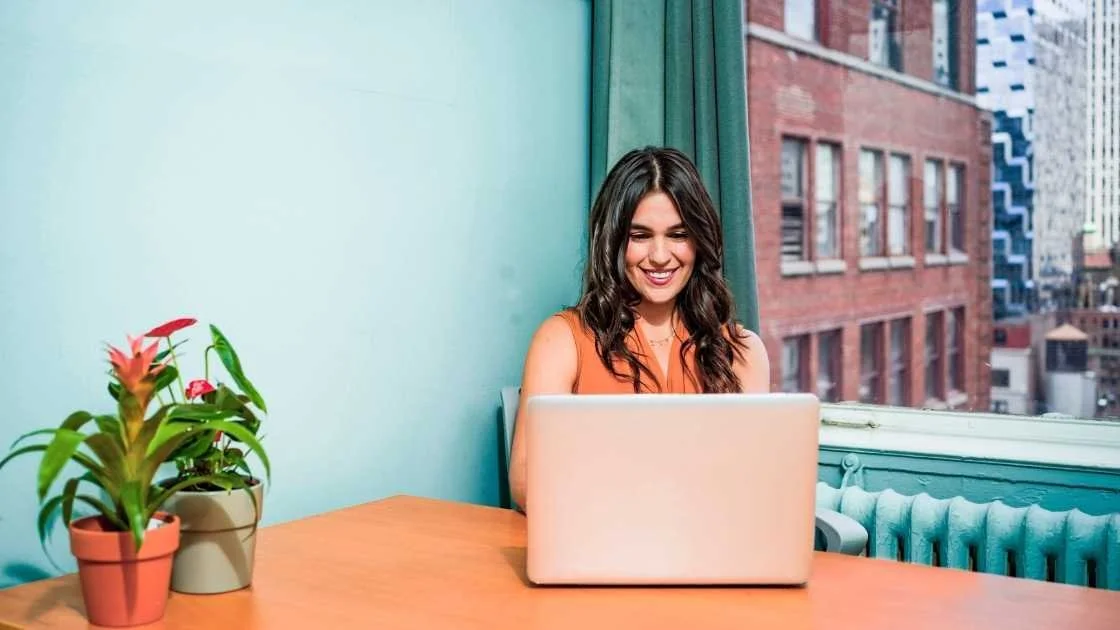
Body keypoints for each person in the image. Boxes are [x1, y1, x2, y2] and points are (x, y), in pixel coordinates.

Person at [508, 146, 771, 511]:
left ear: (699, 241)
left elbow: (756, 484)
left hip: (711, 551)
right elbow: (526, 485)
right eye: (640, 235)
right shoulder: (561, 340)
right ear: (614, 242)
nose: (660, 256)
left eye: (678, 235)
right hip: (599, 544)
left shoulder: (743, 350)